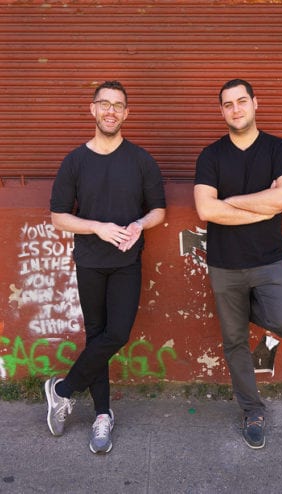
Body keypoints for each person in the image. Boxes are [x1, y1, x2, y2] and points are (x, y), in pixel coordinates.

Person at [45, 80, 166, 454]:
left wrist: (138, 225)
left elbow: (158, 210)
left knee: (117, 334)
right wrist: (96, 226)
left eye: (118, 105)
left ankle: (61, 389)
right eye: (104, 104)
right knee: (97, 336)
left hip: (127, 260)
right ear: (93, 110)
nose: (111, 110)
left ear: (127, 114)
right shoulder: (75, 161)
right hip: (90, 262)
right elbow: (58, 218)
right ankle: (102, 416)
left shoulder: (141, 160)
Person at [194, 79, 282, 449]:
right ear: (221, 111)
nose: (236, 109)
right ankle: (251, 409)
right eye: (228, 104)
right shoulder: (210, 155)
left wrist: (232, 202)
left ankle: (249, 312)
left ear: (256, 103)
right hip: (225, 266)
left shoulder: (279, 148)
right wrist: (263, 202)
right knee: (235, 341)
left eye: (242, 101)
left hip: (269, 260)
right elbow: (206, 209)